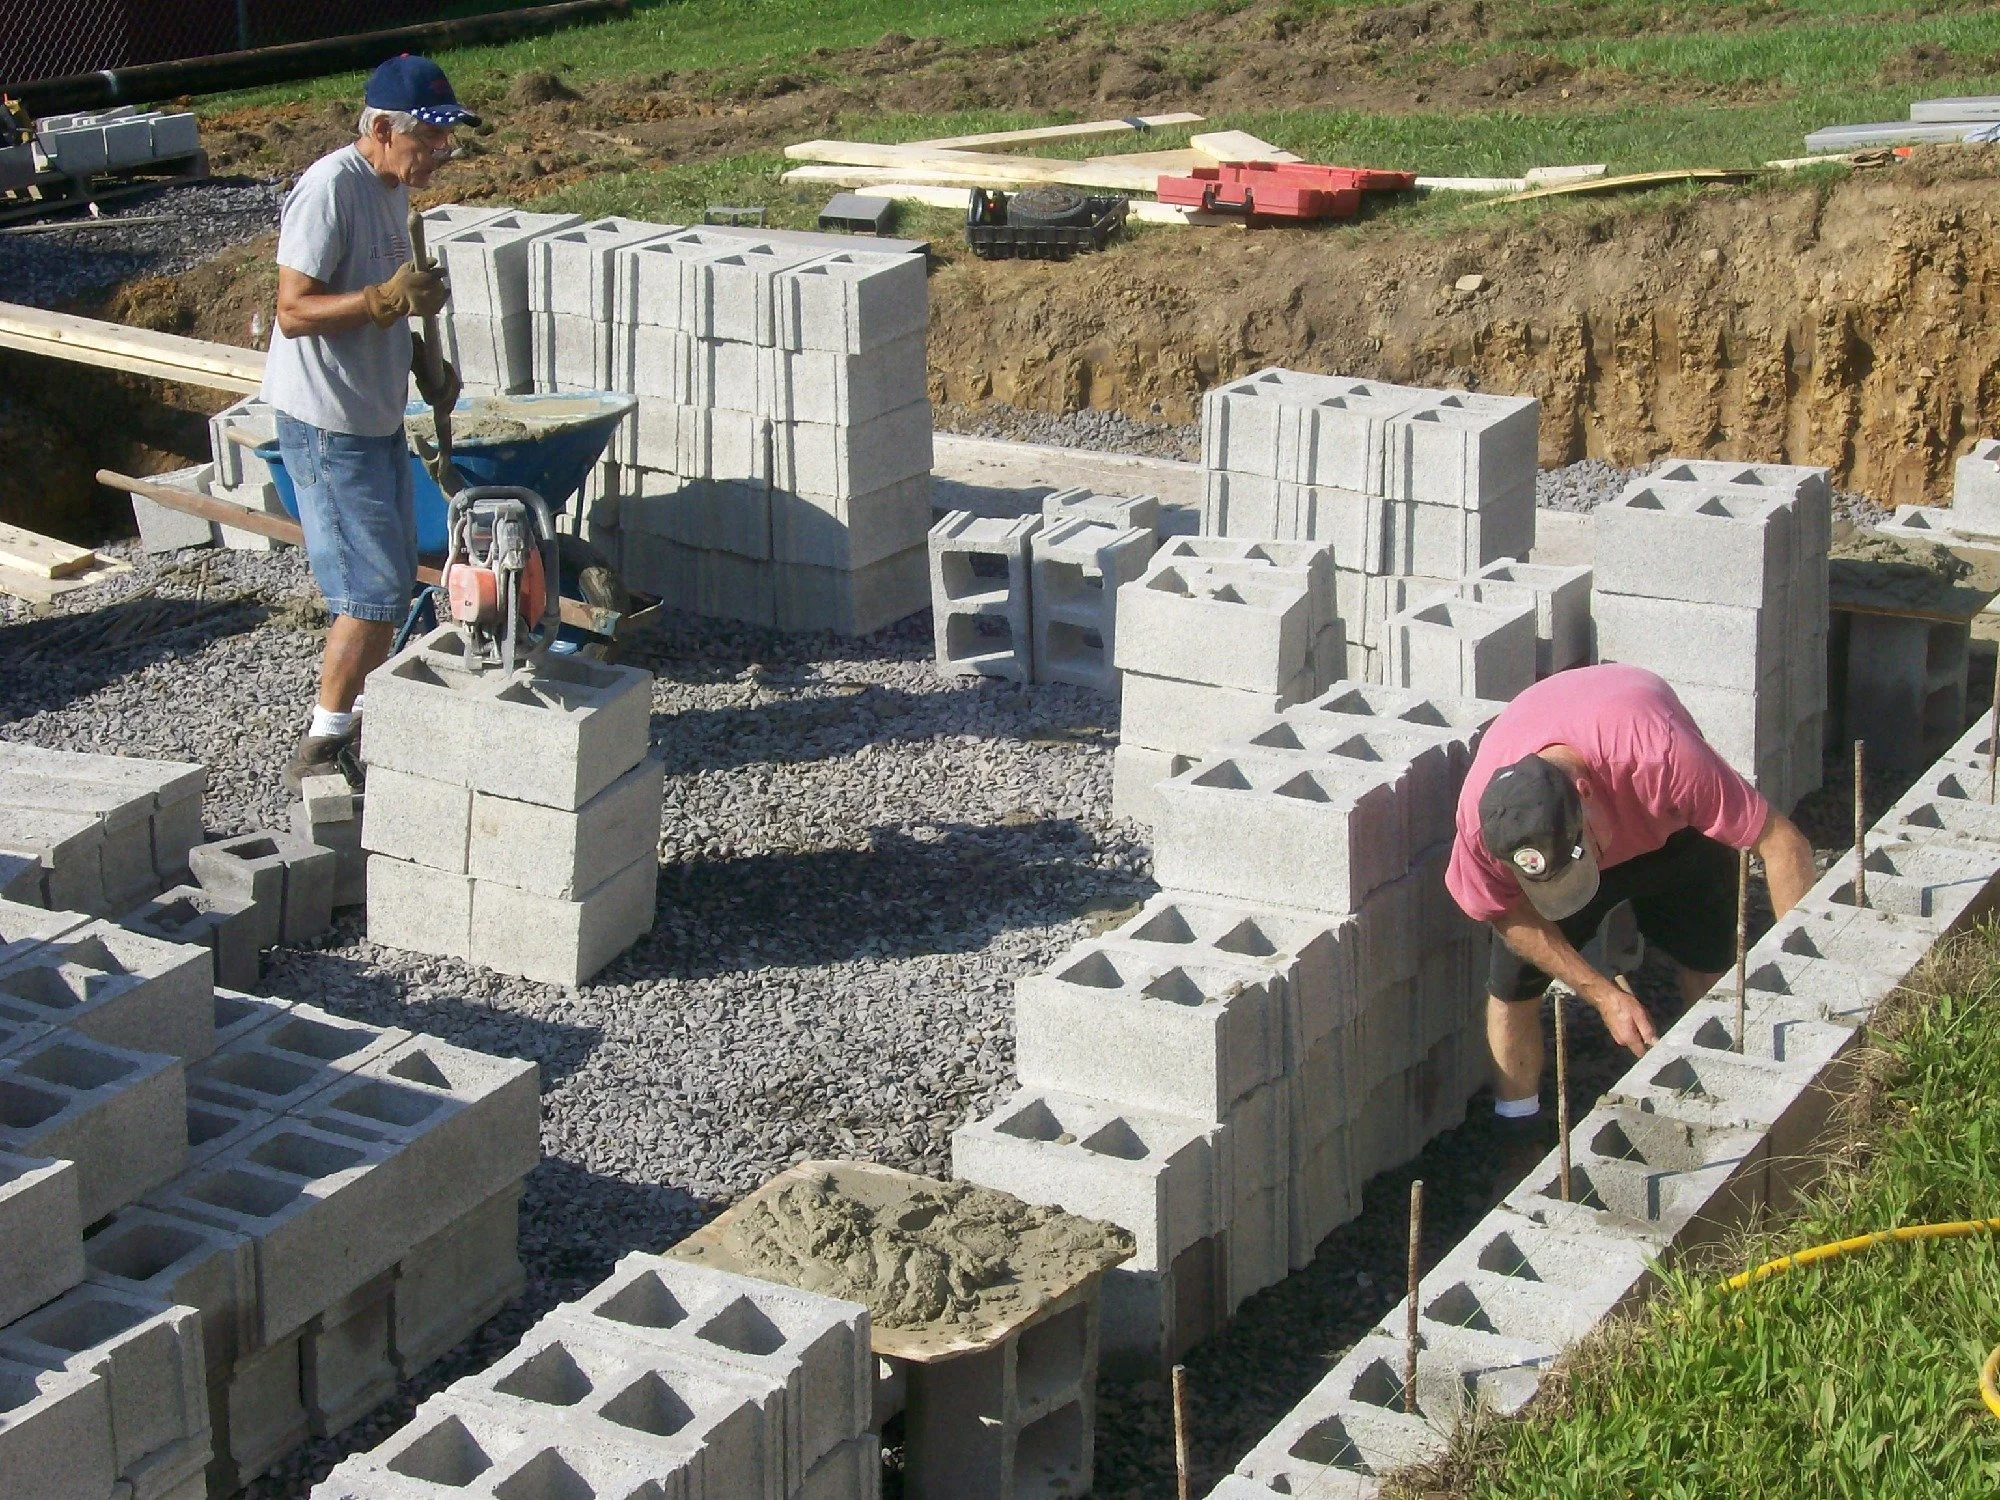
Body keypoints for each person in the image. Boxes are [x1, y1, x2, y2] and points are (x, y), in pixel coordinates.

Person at [1444, 662, 1818, 1148]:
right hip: (1600, 817)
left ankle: (1719, 1081)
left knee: (1711, 960)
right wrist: (1602, 993)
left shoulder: (1660, 758)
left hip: (1666, 830)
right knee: (1512, 988)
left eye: (1581, 861)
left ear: (1584, 791)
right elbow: (1503, 910)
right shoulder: (1485, 821)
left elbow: (1784, 844)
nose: (1583, 883)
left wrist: (1803, 986)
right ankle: (1518, 1135)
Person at [262, 53, 474, 791]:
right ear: (381, 128)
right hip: (327, 422)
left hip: (375, 411)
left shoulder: (391, 189)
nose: (438, 157)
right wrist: (387, 301)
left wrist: (419, 355)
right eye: (429, 142)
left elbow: (379, 299)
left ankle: (351, 727)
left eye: (447, 142)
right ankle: (322, 748)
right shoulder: (329, 191)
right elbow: (293, 311)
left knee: (381, 584)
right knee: (372, 590)